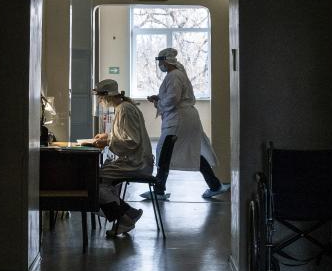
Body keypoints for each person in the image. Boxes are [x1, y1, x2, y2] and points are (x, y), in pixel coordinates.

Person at [145, 47, 229, 200]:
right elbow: (175, 95)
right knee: (192, 152)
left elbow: (172, 99)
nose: (159, 64)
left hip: (179, 119)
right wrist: (158, 97)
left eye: (160, 61)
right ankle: (215, 185)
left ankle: (158, 191)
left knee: (165, 151)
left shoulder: (173, 76)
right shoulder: (178, 74)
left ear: (166, 60)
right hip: (184, 118)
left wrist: (159, 102)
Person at [91, 78, 153, 237]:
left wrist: (107, 141)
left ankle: (124, 220)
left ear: (107, 96)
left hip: (136, 162)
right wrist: (109, 136)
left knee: (94, 184)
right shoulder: (124, 107)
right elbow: (126, 135)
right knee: (99, 181)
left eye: (100, 97)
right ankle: (129, 213)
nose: (99, 100)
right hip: (135, 160)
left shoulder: (124, 110)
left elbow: (132, 141)